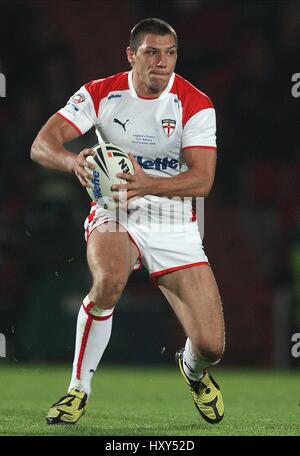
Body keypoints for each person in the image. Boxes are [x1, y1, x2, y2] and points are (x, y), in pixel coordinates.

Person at [31, 18, 225, 425]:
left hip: (173, 219)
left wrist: (148, 183)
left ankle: (192, 368)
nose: (163, 62)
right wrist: (73, 162)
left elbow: (203, 179)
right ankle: (77, 390)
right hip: (114, 209)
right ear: (131, 55)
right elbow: (42, 144)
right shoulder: (101, 93)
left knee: (211, 345)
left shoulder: (194, 102)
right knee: (109, 281)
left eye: (170, 53)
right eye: (152, 52)